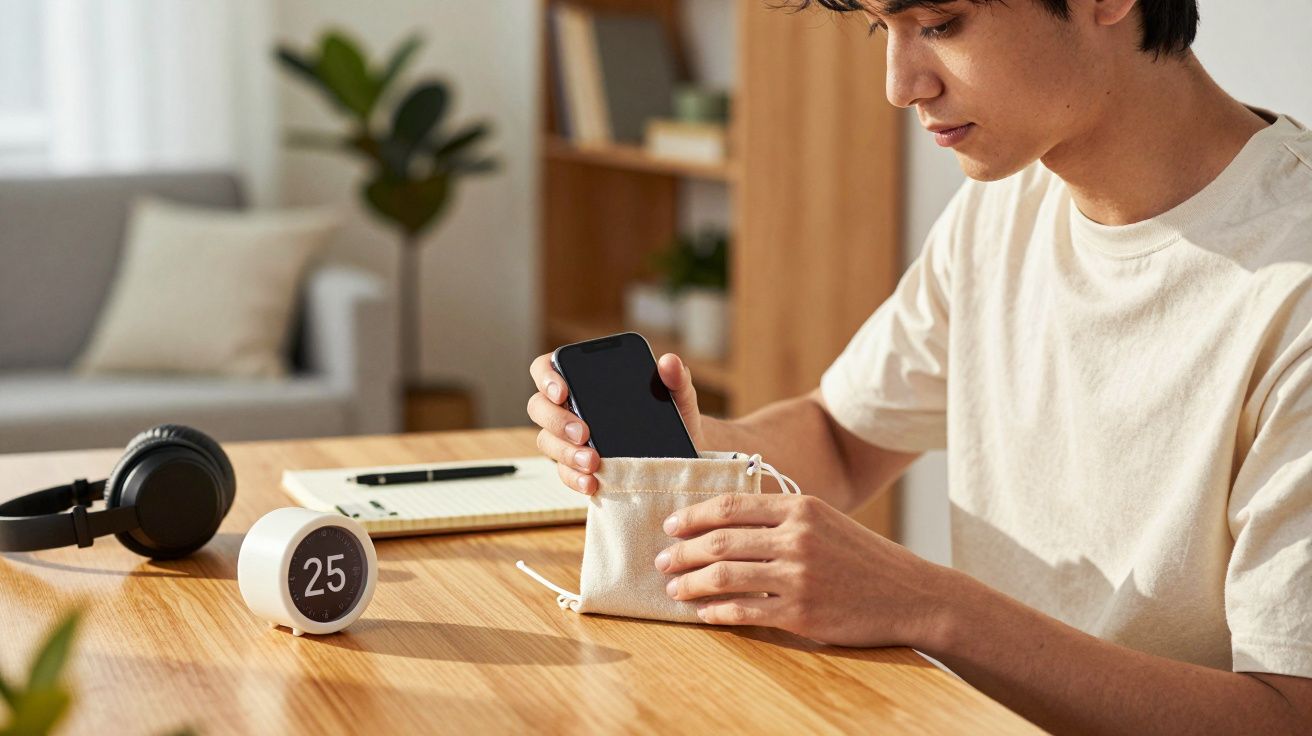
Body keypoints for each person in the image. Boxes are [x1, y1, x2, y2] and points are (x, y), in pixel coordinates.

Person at [527, 0, 1312, 731]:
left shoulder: (1293, 286)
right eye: (882, 29)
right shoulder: (1007, 201)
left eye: (939, 23)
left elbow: (1288, 713)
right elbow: (838, 439)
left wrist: (927, 607)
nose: (901, 86)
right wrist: (694, 446)